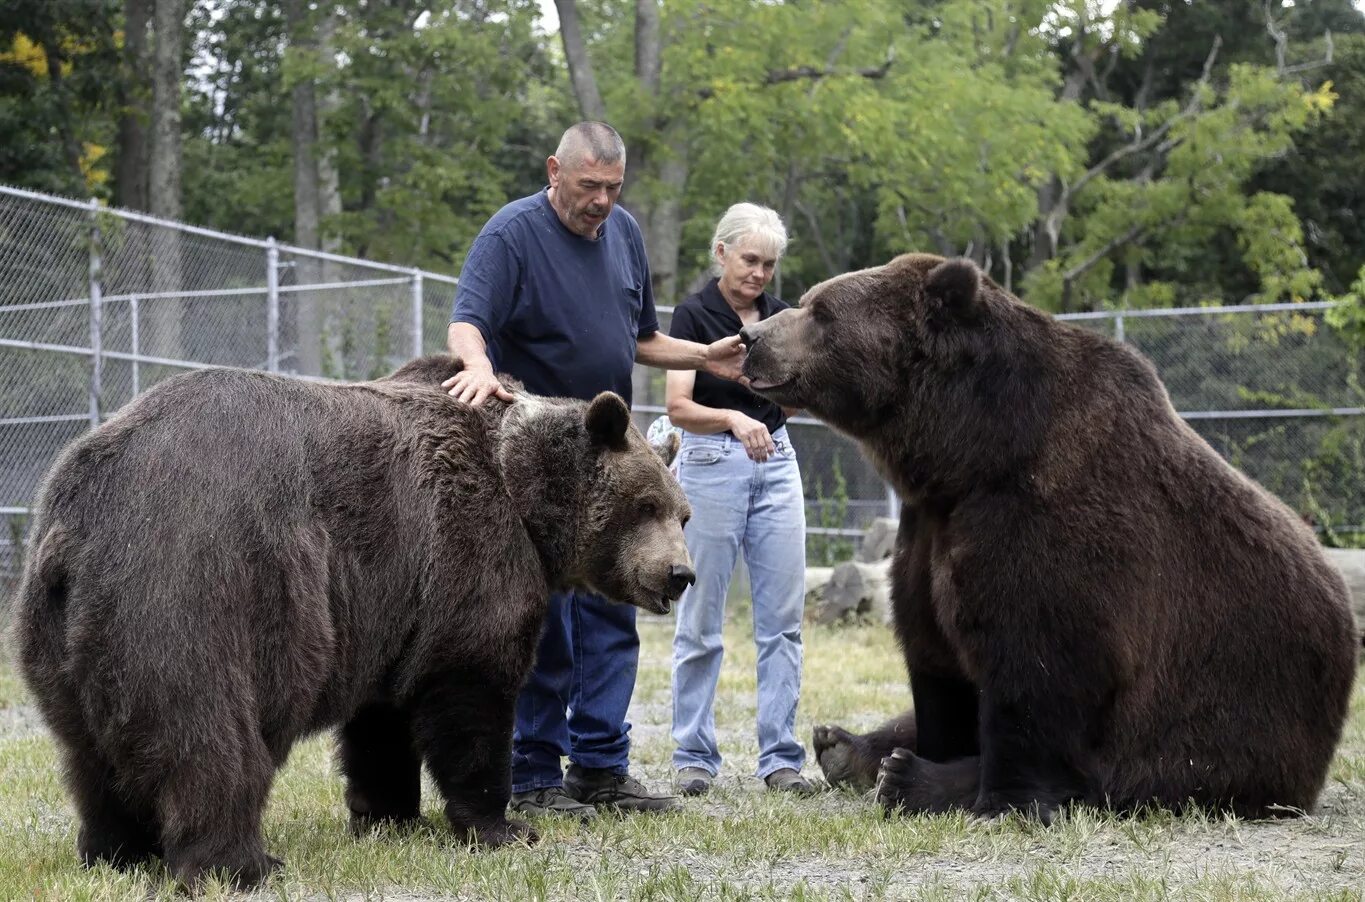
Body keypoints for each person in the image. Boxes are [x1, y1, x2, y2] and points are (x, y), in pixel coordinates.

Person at [442, 121, 747, 819]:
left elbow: (639, 339)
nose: (601, 202)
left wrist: (704, 357)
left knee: (617, 606)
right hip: (539, 464)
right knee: (543, 621)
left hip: (612, 457)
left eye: (613, 189)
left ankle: (602, 768)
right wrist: (479, 366)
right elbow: (467, 321)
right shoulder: (511, 235)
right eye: (589, 187)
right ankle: (534, 772)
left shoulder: (626, 235)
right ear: (555, 171)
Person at [665, 203, 813, 796]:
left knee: (783, 623)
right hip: (709, 465)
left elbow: (799, 397)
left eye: (769, 264)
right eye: (750, 259)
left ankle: (781, 758)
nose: (759, 273)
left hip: (776, 461)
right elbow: (678, 407)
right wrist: (731, 416)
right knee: (701, 621)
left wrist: (773, 401)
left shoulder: (781, 318)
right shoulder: (693, 315)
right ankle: (693, 756)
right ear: (721, 251)